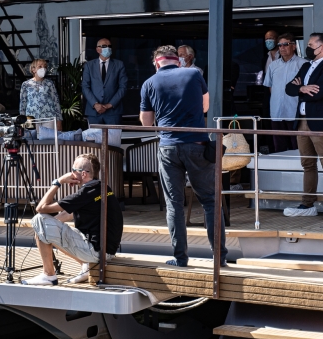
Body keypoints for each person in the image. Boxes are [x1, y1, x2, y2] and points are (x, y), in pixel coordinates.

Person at [140, 45, 227, 267]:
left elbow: (147, 123)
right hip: (197, 144)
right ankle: (219, 258)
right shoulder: (194, 74)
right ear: (177, 61)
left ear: (156, 63)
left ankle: (180, 259)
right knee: (210, 201)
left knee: (174, 204)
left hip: (168, 147)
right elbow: (205, 107)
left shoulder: (149, 83)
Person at [22, 154, 123, 286]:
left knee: (39, 220)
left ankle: (49, 275)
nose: (70, 173)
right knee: (43, 228)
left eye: (73, 170)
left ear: (84, 174)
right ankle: (85, 266)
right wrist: (45, 230)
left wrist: (58, 182)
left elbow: (41, 208)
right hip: (106, 251)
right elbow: (67, 214)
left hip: (95, 252)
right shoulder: (101, 188)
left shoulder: (84, 193)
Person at [284, 33, 323, 217]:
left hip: (319, 122)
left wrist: (301, 89)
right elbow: (289, 88)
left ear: (321, 47)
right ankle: (307, 204)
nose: (307, 48)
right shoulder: (306, 66)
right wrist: (302, 88)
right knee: (307, 163)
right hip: (302, 121)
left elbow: (319, 93)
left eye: (311, 45)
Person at [264, 33, 305, 152]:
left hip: (294, 111)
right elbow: (270, 86)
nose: (282, 48)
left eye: (286, 44)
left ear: (294, 46)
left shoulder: (303, 64)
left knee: (297, 145)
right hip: (277, 111)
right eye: (280, 45)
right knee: (279, 146)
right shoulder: (273, 66)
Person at [81, 38, 127, 125]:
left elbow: (123, 87)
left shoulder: (119, 65)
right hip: (94, 111)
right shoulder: (89, 65)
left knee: (114, 134)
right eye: (104, 46)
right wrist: (95, 104)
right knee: (94, 134)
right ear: (97, 49)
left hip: (113, 111)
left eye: (109, 46)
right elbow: (85, 86)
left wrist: (109, 105)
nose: (108, 48)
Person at [20, 59, 62, 132]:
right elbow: (22, 104)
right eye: (40, 66)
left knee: (49, 138)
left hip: (48, 118)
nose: (43, 68)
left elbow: (56, 102)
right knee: (31, 138)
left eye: (45, 66)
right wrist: (21, 120)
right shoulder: (26, 84)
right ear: (33, 69)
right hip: (31, 119)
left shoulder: (50, 84)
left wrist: (59, 120)